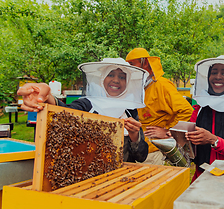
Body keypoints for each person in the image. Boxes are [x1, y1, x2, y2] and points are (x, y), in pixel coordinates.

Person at [17, 58, 149, 163]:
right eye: (110, 74)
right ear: (102, 79)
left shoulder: (130, 111)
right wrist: (46, 97)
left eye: (122, 77)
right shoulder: (87, 104)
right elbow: (64, 111)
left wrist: (134, 136)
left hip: (121, 179)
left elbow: (141, 157)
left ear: (128, 82)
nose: (116, 80)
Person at [125, 48, 194, 165]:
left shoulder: (162, 85)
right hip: (137, 148)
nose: (129, 69)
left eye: (132, 64)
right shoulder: (138, 87)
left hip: (154, 151)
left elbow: (187, 111)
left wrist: (168, 131)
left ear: (145, 63)